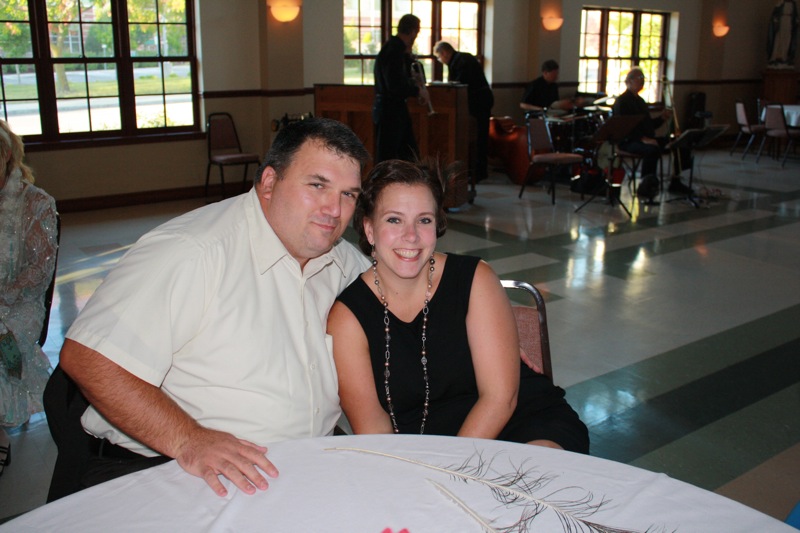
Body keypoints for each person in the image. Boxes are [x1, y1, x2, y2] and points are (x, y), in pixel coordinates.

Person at [57, 117, 371, 497]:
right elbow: (89, 358)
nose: (334, 210)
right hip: (172, 471)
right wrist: (188, 439)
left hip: (298, 469)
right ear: (269, 182)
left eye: (348, 195)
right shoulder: (193, 251)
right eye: (317, 185)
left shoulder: (342, 261)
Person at [327, 159, 589, 453]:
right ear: (369, 230)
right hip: (422, 448)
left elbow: (500, 399)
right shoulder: (348, 318)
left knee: (535, 472)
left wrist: (451, 466)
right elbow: (373, 428)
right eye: (394, 220)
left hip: (519, 423)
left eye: (424, 220)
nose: (411, 236)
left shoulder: (475, 279)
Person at [0, 120, 58, 476]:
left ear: (6, 154)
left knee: (2, 339)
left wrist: (4, 297)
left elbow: (40, 269)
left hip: (20, 302)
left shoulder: (36, 203)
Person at [612, 67, 692, 195]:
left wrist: (662, 118)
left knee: (680, 143)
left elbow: (649, 126)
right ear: (629, 81)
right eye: (639, 78)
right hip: (628, 141)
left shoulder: (640, 101)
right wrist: (642, 139)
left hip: (645, 138)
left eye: (643, 78)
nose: (642, 81)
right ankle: (646, 185)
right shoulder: (621, 101)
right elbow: (624, 127)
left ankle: (675, 181)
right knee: (652, 150)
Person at [433, 41, 494, 183]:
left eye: (439, 57)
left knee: (479, 136)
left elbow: (460, 84)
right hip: (478, 101)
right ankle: (477, 171)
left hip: (479, 102)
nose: (440, 60)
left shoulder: (461, 61)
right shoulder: (461, 59)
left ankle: (479, 171)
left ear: (444, 53)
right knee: (478, 136)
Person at [373, 14, 430, 164]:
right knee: (391, 156)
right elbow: (395, 85)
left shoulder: (397, 49)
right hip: (390, 110)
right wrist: (417, 91)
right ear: (413, 31)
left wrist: (409, 59)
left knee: (406, 153)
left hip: (393, 108)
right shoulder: (394, 50)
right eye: (417, 32)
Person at [521, 60, 592, 115]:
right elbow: (523, 105)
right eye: (553, 74)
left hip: (550, 113)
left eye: (556, 74)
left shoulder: (554, 86)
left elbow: (555, 104)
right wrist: (541, 109)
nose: (556, 76)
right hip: (537, 115)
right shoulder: (534, 85)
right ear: (545, 73)